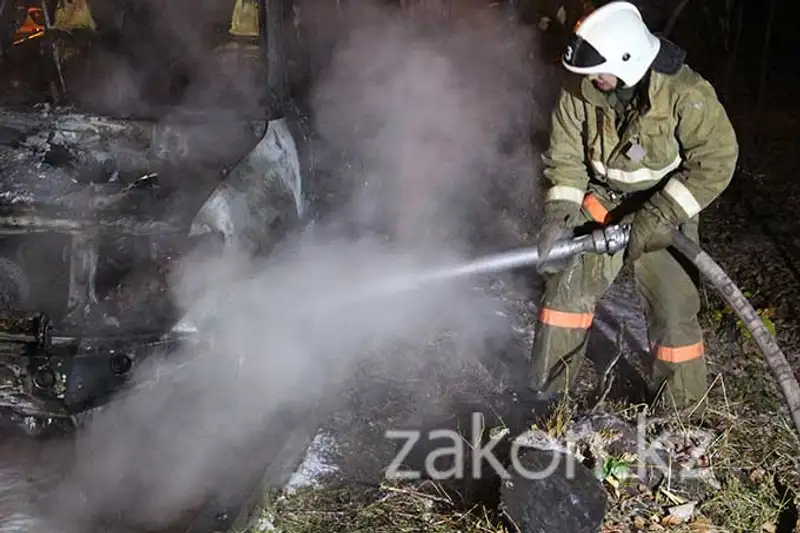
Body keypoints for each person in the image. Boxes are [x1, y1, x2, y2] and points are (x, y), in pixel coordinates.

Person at [529, 0, 738, 415]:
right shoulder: (579, 89)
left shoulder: (685, 93)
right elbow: (566, 159)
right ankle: (548, 401)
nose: (591, 79)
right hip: (602, 202)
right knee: (564, 294)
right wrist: (560, 216)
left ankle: (681, 417)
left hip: (663, 207)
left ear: (628, 60)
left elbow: (716, 160)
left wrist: (660, 215)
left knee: (674, 311)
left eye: (599, 71)